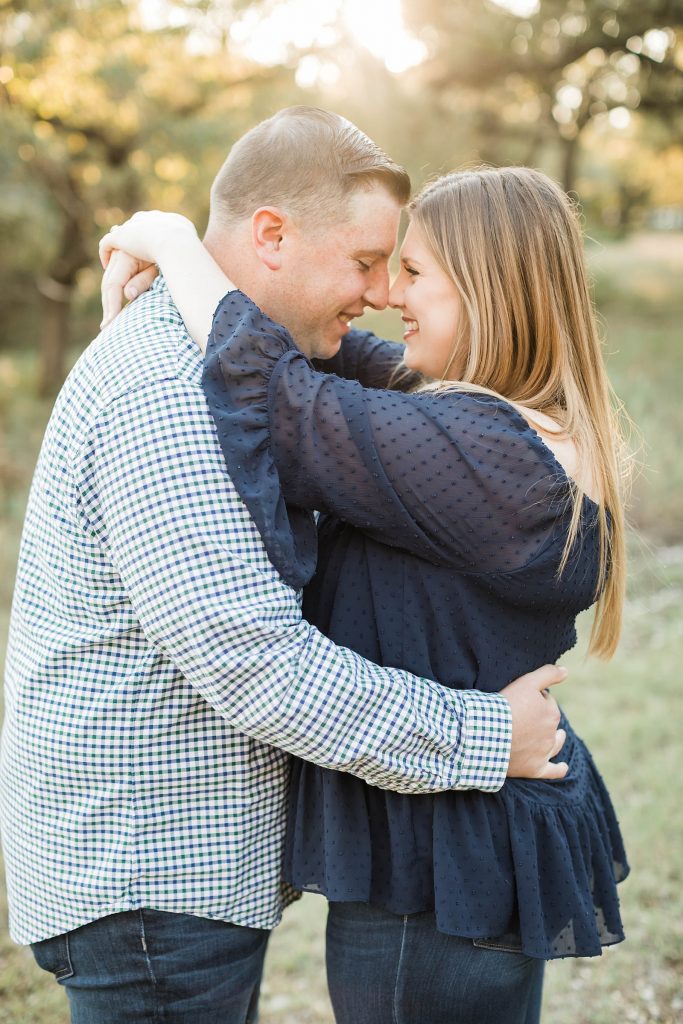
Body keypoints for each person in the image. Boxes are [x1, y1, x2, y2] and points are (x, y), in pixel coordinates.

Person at [0, 108, 566, 1024]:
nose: (381, 291)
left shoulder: (248, 364)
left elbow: (408, 405)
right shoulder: (170, 391)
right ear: (271, 236)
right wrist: (483, 738)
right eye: (365, 261)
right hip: (149, 875)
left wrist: (177, 247)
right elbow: (253, 661)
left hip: (178, 878)